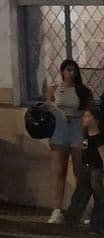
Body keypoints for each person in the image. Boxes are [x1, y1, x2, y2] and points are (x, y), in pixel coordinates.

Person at [45, 59, 92, 224]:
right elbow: (49, 106)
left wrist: (87, 134)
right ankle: (57, 210)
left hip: (77, 130)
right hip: (59, 130)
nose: (71, 73)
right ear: (62, 71)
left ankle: (81, 209)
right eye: (68, 69)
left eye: (74, 70)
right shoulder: (54, 89)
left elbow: (88, 112)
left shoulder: (83, 91)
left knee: (80, 171)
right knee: (59, 171)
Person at [65, 106, 103, 234]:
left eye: (88, 116)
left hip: (96, 170)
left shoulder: (99, 137)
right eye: (84, 116)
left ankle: (96, 226)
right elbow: (83, 152)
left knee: (99, 198)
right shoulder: (86, 136)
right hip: (86, 169)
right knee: (80, 195)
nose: (84, 119)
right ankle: (71, 221)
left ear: (96, 120)